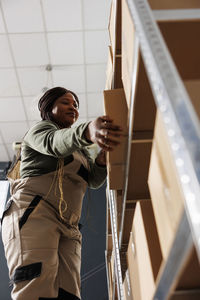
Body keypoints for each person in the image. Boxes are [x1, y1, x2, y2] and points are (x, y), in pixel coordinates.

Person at [1, 87, 122, 300]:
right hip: (34, 213)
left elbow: (93, 180)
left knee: (69, 293)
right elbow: (55, 144)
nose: (73, 108)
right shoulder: (40, 132)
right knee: (35, 286)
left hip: (69, 226)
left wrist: (102, 159)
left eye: (75, 105)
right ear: (49, 107)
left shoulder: (80, 150)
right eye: (66, 102)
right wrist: (87, 131)